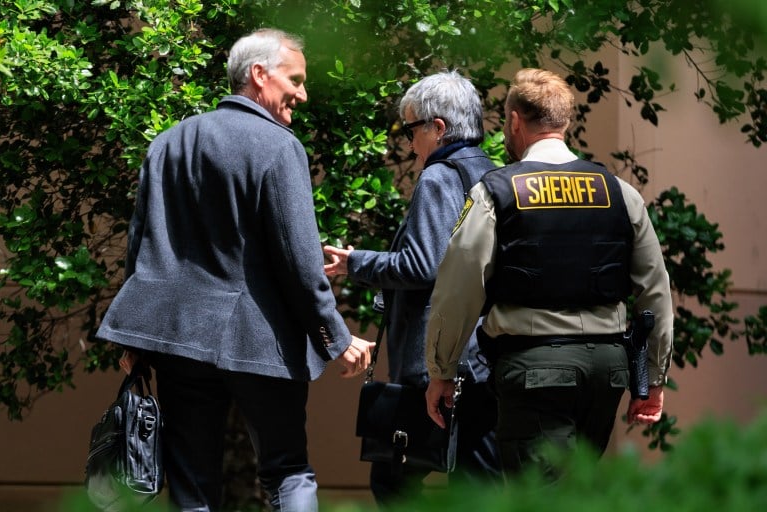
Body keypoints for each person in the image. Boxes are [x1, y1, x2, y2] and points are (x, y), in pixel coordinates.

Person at [95, 28, 375, 512]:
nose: (302, 94)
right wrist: (337, 337)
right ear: (259, 74)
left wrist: (134, 340)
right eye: (296, 79)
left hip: (179, 341)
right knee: (288, 472)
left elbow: (141, 247)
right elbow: (300, 261)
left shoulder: (169, 143)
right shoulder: (279, 145)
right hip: (259, 341)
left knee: (191, 480)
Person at [424, 68, 674, 480]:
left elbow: (459, 286)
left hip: (534, 368)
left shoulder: (496, 191)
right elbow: (656, 292)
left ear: (515, 121)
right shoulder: (618, 191)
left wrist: (441, 370)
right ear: (566, 123)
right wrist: (652, 377)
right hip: (605, 371)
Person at [323, 70, 502, 505]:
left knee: (394, 478)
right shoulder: (495, 174)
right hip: (486, 356)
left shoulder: (440, 176)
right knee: (478, 480)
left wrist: (356, 263)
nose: (408, 143)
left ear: (437, 128)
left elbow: (422, 266)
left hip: (436, 361)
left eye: (410, 130)